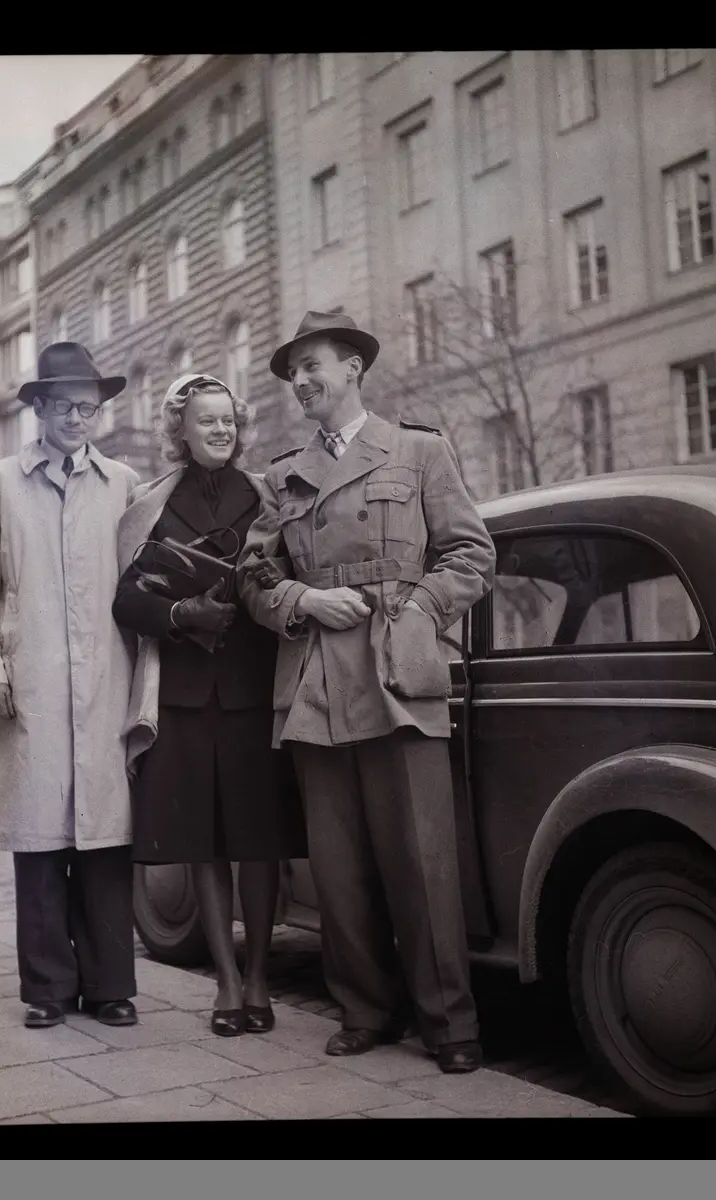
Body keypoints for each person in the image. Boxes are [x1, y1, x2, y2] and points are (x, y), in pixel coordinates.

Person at [238, 310, 496, 1074]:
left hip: (396, 671)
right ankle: (364, 1010)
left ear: (352, 367)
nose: (300, 381)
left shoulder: (418, 451)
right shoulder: (282, 477)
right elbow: (252, 579)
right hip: (316, 679)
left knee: (422, 860)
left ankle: (448, 1023)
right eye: (292, 372)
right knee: (338, 865)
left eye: (311, 365)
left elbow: (471, 554)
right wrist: (302, 600)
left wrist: (417, 612)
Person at [113, 373, 306, 1037]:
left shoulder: (269, 494)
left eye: (228, 420)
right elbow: (126, 599)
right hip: (186, 698)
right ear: (181, 431)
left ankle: (258, 981)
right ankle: (225, 983)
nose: (221, 430)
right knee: (205, 844)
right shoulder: (151, 504)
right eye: (206, 420)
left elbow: (295, 574)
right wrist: (179, 612)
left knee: (259, 843)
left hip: (257, 690)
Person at [0, 342, 142, 1030]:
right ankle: (47, 990)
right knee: (38, 841)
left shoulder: (123, 484)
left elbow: (141, 585)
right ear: (38, 408)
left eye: (87, 408)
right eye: (62, 405)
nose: (75, 418)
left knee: (105, 837)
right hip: (28, 680)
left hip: (104, 681)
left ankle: (110, 986)